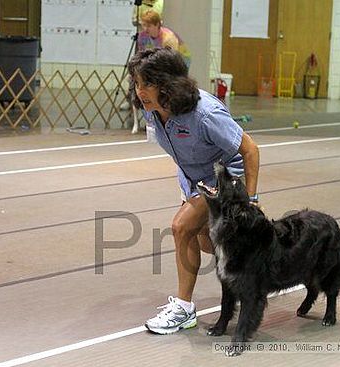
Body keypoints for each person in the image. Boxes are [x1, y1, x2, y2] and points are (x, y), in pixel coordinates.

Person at [127, 47, 260, 335]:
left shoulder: (206, 114)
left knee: (181, 228)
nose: (140, 91)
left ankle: (184, 310)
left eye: (147, 83)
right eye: (137, 83)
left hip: (224, 176)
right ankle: (256, 265)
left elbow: (249, 149)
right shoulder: (154, 111)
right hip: (193, 178)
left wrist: (249, 199)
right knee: (207, 244)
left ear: (167, 84)